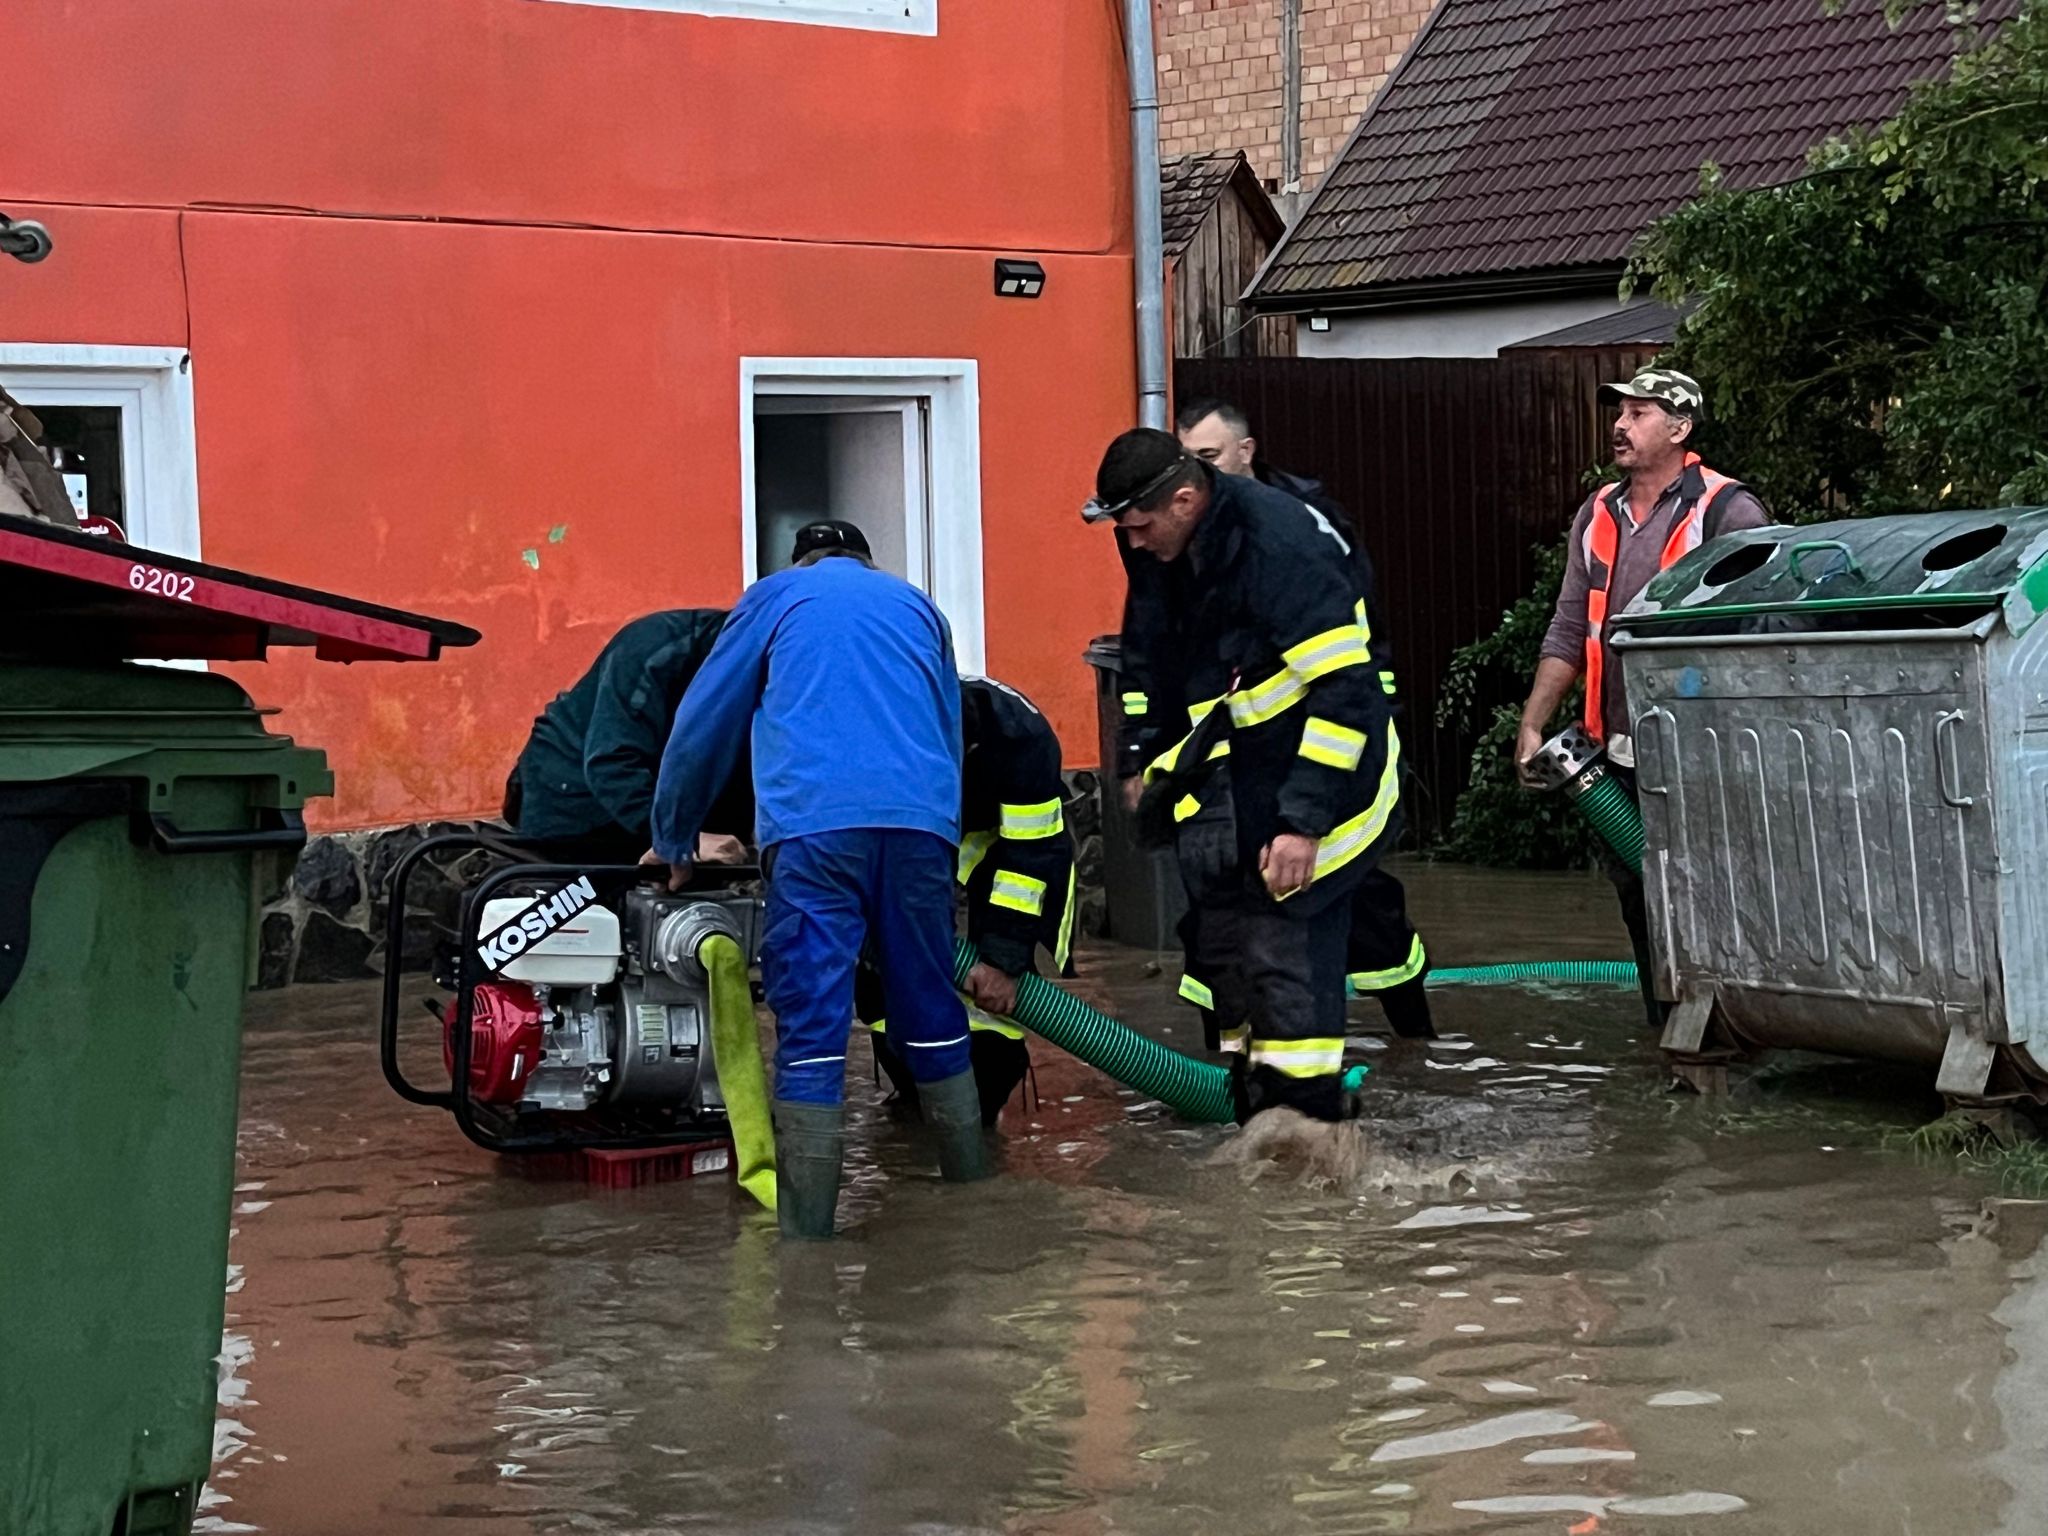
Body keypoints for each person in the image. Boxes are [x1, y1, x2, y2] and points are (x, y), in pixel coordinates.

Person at [648, 527, 987, 1240]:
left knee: (813, 1031)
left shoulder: (775, 597)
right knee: (929, 1004)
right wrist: (937, 827)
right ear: (867, 562)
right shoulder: (918, 605)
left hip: (816, 832)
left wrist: (675, 839)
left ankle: (807, 1253)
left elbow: (703, 722)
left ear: (802, 562)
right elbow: (947, 727)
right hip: (922, 825)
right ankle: (973, 1204)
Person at [1087, 428, 1399, 1123]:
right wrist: (1144, 752)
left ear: (1186, 499)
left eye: (1139, 527)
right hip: (1236, 766)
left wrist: (1301, 823)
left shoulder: (1282, 547)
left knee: (1283, 939)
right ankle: (1258, 1121)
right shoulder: (1157, 537)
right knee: (1223, 946)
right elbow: (1148, 649)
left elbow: (1345, 694)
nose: (1131, 544)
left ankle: (1313, 1141)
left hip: (1328, 773)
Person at [1514, 369, 1770, 1030]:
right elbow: (1571, 624)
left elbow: (1767, 633)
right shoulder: (1597, 512)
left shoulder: (1729, 511)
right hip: (1615, 748)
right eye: (1619, 413)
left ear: (1680, 429)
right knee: (1637, 895)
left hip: (1702, 753)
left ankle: (1735, 1030)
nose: (1620, 426)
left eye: (1638, 413)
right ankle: (1671, 1034)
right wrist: (1533, 721)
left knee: (1709, 894)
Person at [1174, 398, 1433, 1039]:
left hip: (1326, 753)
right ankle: (1231, 1071)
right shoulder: (1191, 535)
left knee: (1355, 898)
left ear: (1246, 451)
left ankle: (1412, 1036)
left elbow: (1356, 649)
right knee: (1220, 916)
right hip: (1238, 764)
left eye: (1207, 458)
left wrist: (1379, 714)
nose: (1196, 476)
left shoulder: (1305, 530)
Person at [866, 673, 1077, 1127]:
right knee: (882, 969)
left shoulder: (1021, 737)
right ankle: (913, 1090)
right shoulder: (881, 722)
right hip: (916, 842)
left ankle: (982, 1108)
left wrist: (1003, 959)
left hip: (1003, 851)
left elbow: (1031, 857)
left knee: (998, 991)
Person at [503, 609, 751, 866]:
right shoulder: (659, 645)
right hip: (573, 803)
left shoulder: (777, 670)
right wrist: (683, 839)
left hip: (669, 806)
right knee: (580, 899)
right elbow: (612, 762)